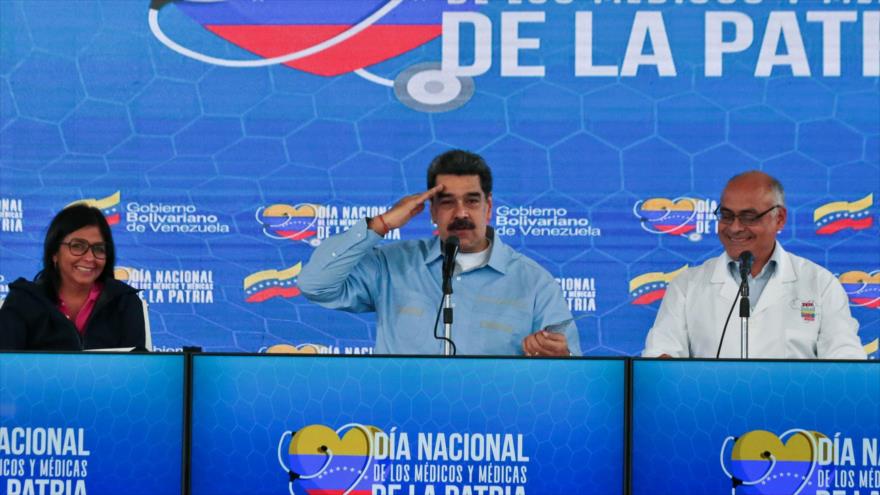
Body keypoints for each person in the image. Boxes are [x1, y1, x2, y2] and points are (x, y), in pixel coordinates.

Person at [298, 149, 579, 356]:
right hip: (402, 427)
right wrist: (381, 224)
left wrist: (558, 357)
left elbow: (572, 369)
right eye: (447, 203)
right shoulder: (393, 266)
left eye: (471, 201)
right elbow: (315, 285)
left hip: (493, 429)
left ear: (489, 206)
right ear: (432, 210)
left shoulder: (534, 282)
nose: (461, 213)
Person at [642, 171, 865, 359]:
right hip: (711, 409)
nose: (735, 227)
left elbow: (845, 362)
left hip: (796, 410)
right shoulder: (687, 286)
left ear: (779, 218)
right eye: (727, 216)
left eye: (749, 217)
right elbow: (661, 358)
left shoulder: (820, 284)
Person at [0, 204, 148, 351]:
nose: (90, 258)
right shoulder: (22, 301)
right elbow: (7, 368)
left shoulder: (125, 302)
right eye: (77, 246)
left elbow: (136, 370)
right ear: (54, 253)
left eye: (99, 249)